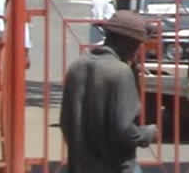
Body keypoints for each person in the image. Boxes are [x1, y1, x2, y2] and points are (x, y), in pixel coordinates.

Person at [62, 10, 159, 173]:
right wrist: (147, 134)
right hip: (116, 166)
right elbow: (124, 130)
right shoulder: (120, 72)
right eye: (137, 44)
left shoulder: (76, 67)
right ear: (129, 43)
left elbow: (65, 122)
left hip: (79, 166)